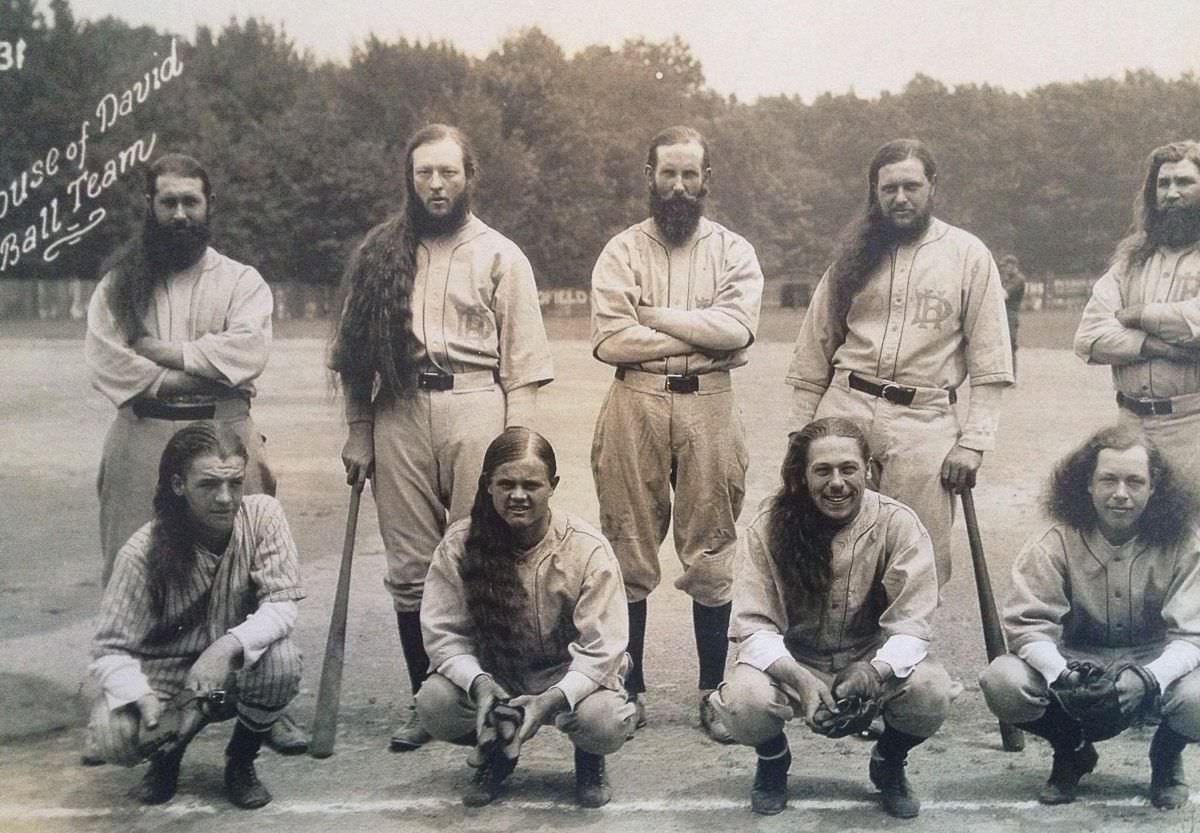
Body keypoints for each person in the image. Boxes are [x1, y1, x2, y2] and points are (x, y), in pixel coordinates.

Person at [331, 124, 554, 752]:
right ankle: (426, 700)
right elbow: (353, 358)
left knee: (480, 557)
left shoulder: (501, 254)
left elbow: (525, 365)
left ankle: (492, 694)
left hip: (476, 404)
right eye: (424, 172)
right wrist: (358, 430)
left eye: (447, 173)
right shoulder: (380, 252)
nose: (436, 184)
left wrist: (518, 446)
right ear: (409, 178)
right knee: (410, 569)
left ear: (468, 178)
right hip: (398, 407)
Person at [84, 153, 306, 756]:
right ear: (149, 208)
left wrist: (158, 352)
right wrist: (197, 368)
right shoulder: (120, 283)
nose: (180, 213)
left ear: (209, 208)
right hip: (142, 433)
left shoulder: (241, 281)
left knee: (250, 564)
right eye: (168, 202)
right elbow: (109, 362)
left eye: (192, 202)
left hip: (225, 433)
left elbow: (246, 353)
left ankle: (265, 702)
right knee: (130, 563)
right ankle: (124, 693)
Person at [589, 125, 763, 742]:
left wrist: (656, 318)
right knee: (627, 546)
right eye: (669, 173)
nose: (680, 186)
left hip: (709, 407)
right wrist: (702, 331)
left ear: (707, 180)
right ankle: (628, 690)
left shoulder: (735, 251)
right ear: (650, 176)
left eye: (691, 175)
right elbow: (610, 340)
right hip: (635, 397)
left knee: (711, 546)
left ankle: (711, 689)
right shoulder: (621, 251)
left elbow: (740, 331)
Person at [786, 138, 1013, 589]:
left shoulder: (968, 255)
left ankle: (907, 658)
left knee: (916, 558)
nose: (900, 198)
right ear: (875, 191)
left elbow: (991, 361)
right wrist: (799, 434)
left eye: (911, 186)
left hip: (924, 419)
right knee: (829, 547)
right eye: (888, 189)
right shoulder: (853, 253)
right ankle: (831, 655)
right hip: (846, 406)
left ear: (933, 186)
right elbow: (814, 351)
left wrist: (973, 443)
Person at [711, 417, 951, 819]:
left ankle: (889, 761)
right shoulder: (769, 524)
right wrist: (801, 681)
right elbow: (753, 626)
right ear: (801, 476)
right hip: (795, 660)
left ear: (868, 470)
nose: (836, 482)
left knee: (932, 690)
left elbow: (912, 625)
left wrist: (873, 673)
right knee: (744, 700)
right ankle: (773, 762)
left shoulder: (899, 523)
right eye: (822, 470)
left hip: (867, 659)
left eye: (848, 469)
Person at [979, 426, 1200, 809]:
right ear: (1087, 485)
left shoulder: (1185, 541)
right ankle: (1071, 748)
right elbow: (1028, 626)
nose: (1120, 494)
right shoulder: (1054, 539)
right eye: (1108, 479)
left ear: (1153, 488)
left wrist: (1148, 678)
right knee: (1003, 681)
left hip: (1155, 663)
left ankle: (1166, 755)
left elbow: (1193, 636)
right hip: (1076, 665)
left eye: (1135, 482)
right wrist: (1062, 674)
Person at [86, 423, 304, 809]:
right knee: (118, 735)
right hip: (166, 672)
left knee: (281, 660)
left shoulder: (263, 515)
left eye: (235, 483)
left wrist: (225, 648)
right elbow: (110, 649)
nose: (225, 498)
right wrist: (144, 701)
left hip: (233, 663)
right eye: (208, 485)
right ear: (178, 485)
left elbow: (282, 604)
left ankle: (240, 760)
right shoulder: (142, 551)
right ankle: (166, 756)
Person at [416, 427, 634, 808]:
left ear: (553, 486)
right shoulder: (459, 544)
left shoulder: (587, 548)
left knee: (605, 719)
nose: (518, 495)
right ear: (487, 486)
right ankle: (497, 747)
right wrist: (481, 685)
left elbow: (602, 650)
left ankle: (589, 756)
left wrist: (550, 700)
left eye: (531, 485)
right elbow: (443, 635)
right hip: (497, 673)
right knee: (435, 702)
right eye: (506, 484)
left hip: (567, 675)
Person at [1074, 140, 1200, 489]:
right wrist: (1159, 346)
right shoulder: (1131, 260)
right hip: (1129, 424)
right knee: (1135, 530)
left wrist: (1140, 313)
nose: (1172, 194)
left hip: (1193, 425)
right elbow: (1089, 338)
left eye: (1184, 183)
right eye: (1163, 184)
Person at [999, 254, 1027, 379]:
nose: (1004, 269)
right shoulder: (1005, 279)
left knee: (1010, 344)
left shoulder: (1018, 279)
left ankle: (1011, 376)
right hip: (1001, 314)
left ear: (1013, 266)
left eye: (1006, 266)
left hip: (1011, 314)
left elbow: (1003, 294)